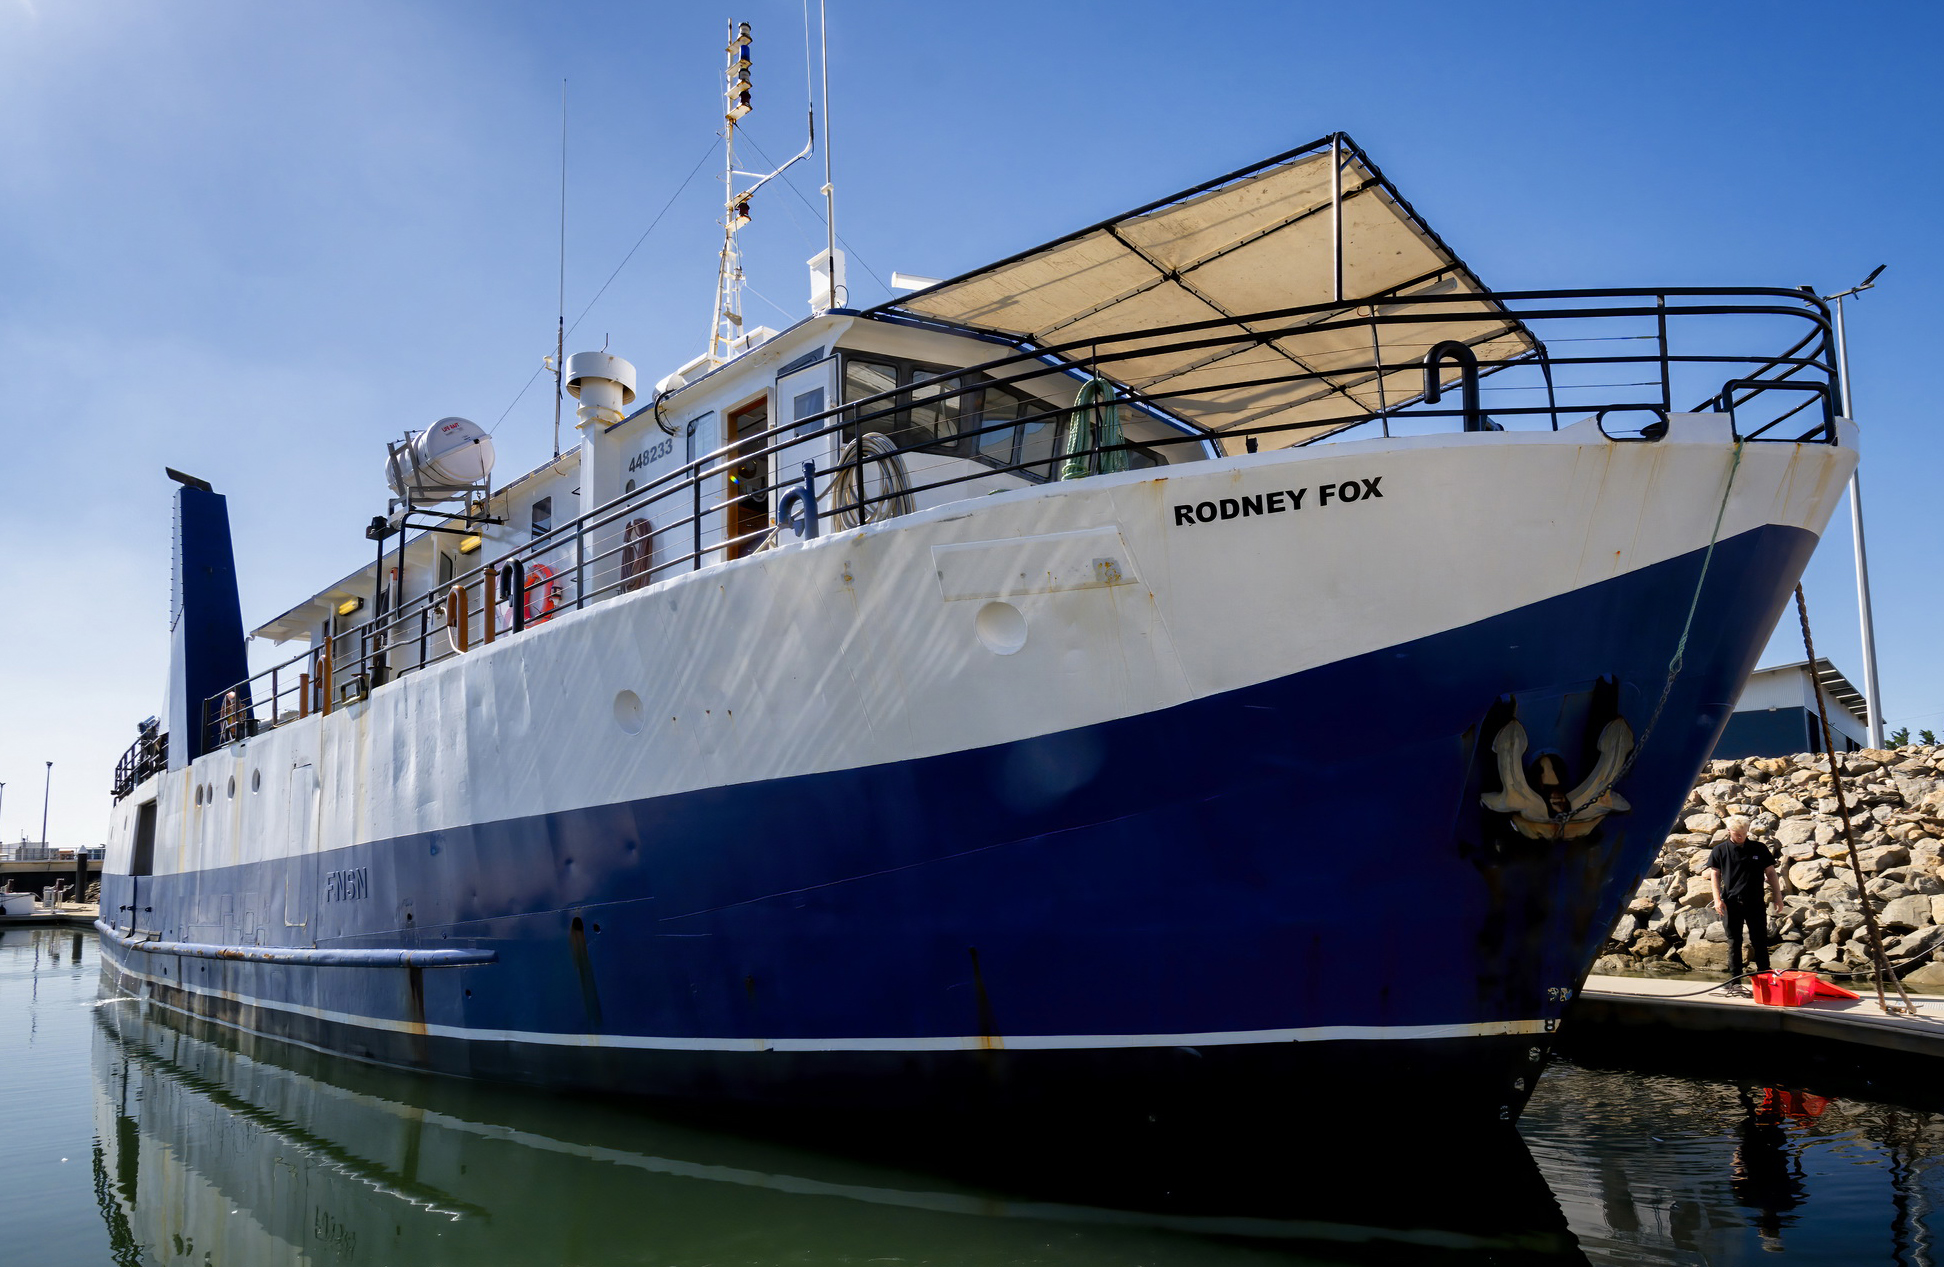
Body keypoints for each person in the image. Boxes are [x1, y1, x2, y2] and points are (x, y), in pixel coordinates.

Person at [1708, 815, 1784, 989]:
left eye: (1743, 833)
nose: (1741, 836)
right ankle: (1734, 980)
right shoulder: (1720, 850)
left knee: (1759, 940)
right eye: (1737, 833)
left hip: (1755, 901)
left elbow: (1771, 873)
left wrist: (1778, 897)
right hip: (1731, 902)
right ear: (1729, 831)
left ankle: (1764, 975)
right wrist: (1717, 899)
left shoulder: (1759, 848)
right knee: (1734, 941)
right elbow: (1715, 874)